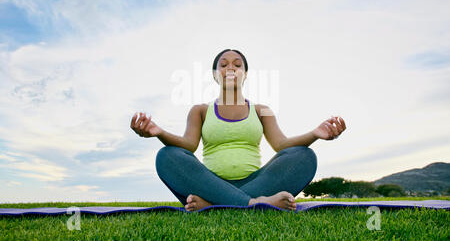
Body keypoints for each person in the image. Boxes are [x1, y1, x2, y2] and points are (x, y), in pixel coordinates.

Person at [130, 49, 346, 211]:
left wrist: (315, 134)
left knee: (304, 156)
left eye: (237, 64)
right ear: (215, 75)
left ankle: (214, 204)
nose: (230, 67)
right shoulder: (200, 110)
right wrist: (159, 132)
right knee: (167, 156)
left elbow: (281, 145)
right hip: (208, 183)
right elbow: (188, 146)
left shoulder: (263, 110)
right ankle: (252, 203)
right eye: (223, 65)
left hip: (259, 182)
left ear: (245, 74)